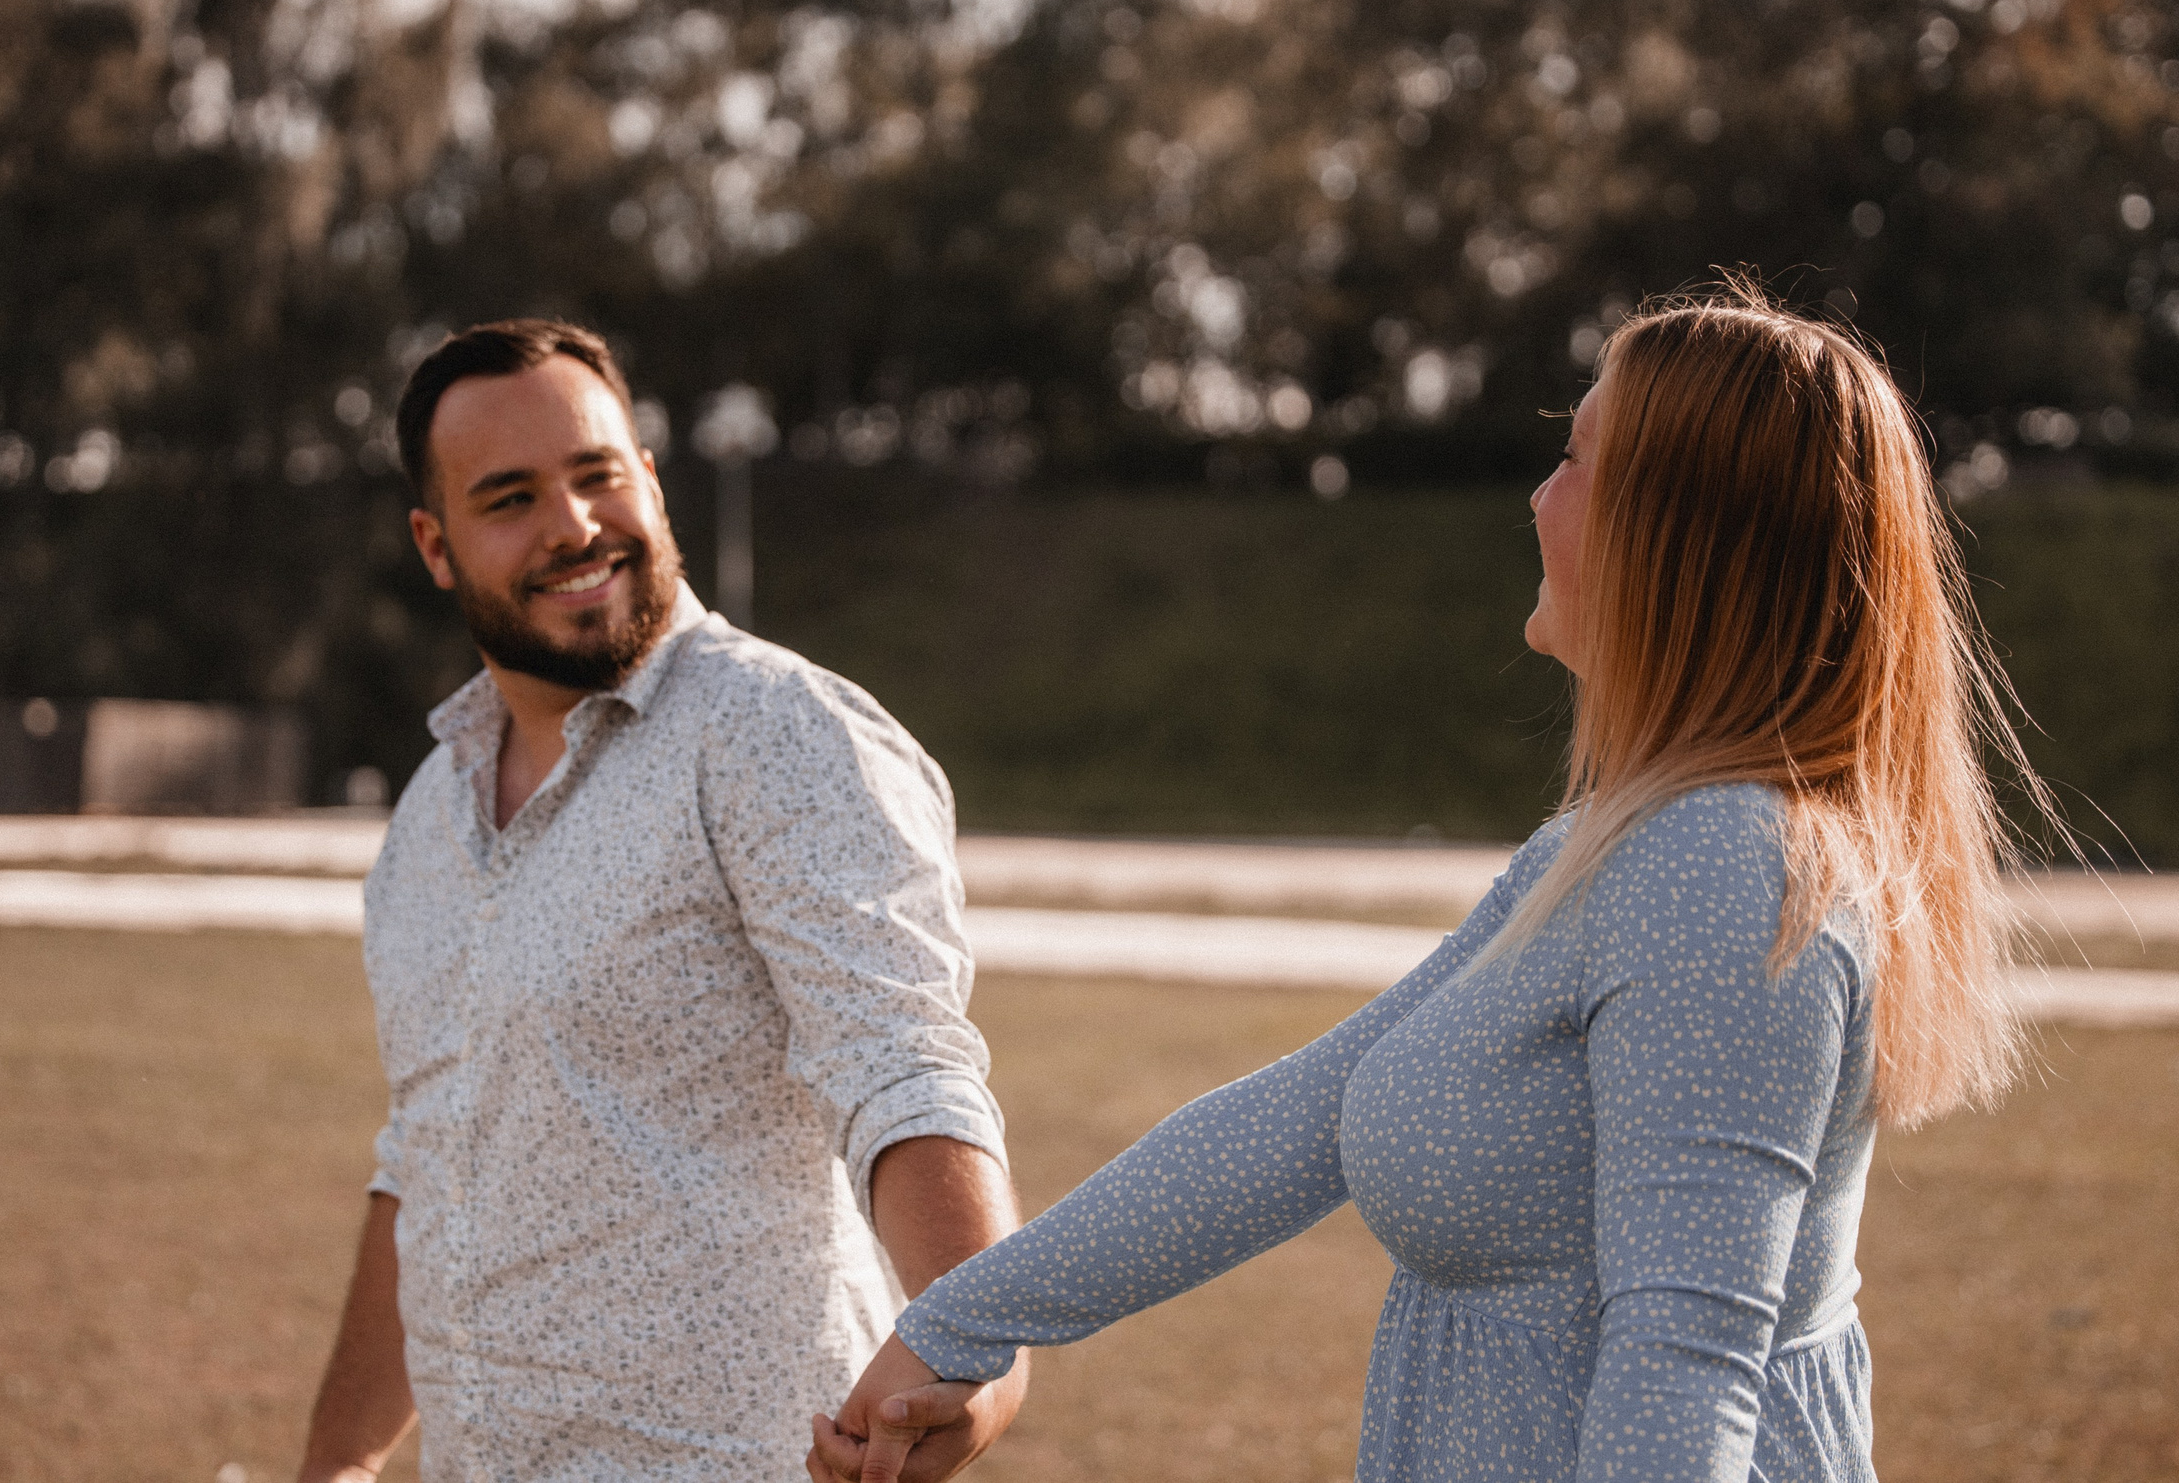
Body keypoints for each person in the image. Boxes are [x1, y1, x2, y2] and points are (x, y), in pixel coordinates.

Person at [813, 288, 2056, 1483]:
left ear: (1670, 533)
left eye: (1576, 461)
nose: (1537, 496)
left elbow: (1686, 1364)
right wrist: (954, 1329)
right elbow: (1303, 1119)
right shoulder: (1617, 849)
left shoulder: (1722, 870)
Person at [299, 318, 1026, 1483]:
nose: (574, 525)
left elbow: (903, 1065)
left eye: (598, 474)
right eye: (511, 498)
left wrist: (973, 1344)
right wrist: (335, 1466)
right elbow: (422, 1163)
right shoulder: (426, 811)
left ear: (649, 476)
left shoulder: (776, 735)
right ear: (435, 547)